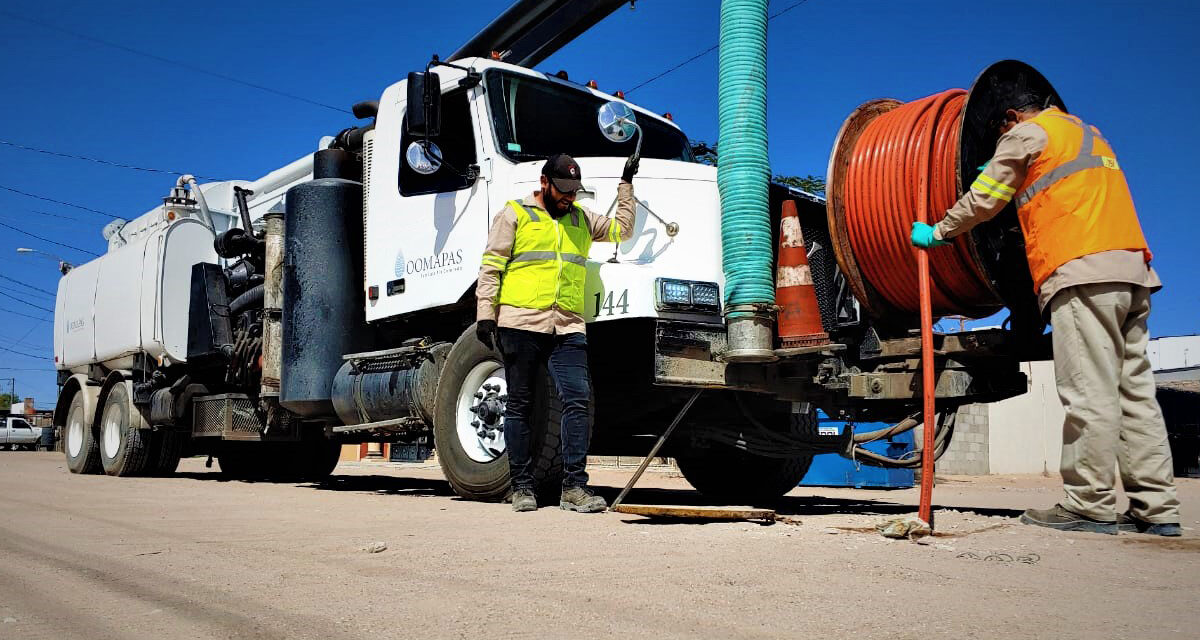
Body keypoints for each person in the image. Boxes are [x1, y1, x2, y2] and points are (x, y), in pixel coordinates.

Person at [911, 94, 1181, 536]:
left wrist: (939, 231)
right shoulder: (1086, 134)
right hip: (1133, 273)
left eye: (1001, 133)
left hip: (1081, 272)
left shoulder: (1026, 134)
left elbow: (985, 199)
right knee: (1135, 394)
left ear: (1012, 117)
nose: (1004, 140)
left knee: (1089, 392)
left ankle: (1088, 505)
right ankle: (1157, 510)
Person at [475, 153, 638, 513]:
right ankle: (521, 487)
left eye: (574, 192)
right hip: (520, 324)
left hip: (567, 326)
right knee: (520, 405)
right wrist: (486, 314)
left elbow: (622, 231)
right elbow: (491, 266)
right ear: (544, 183)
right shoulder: (515, 214)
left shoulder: (581, 218)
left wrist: (626, 186)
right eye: (563, 191)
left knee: (577, 400)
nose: (569, 198)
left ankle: (574, 489)